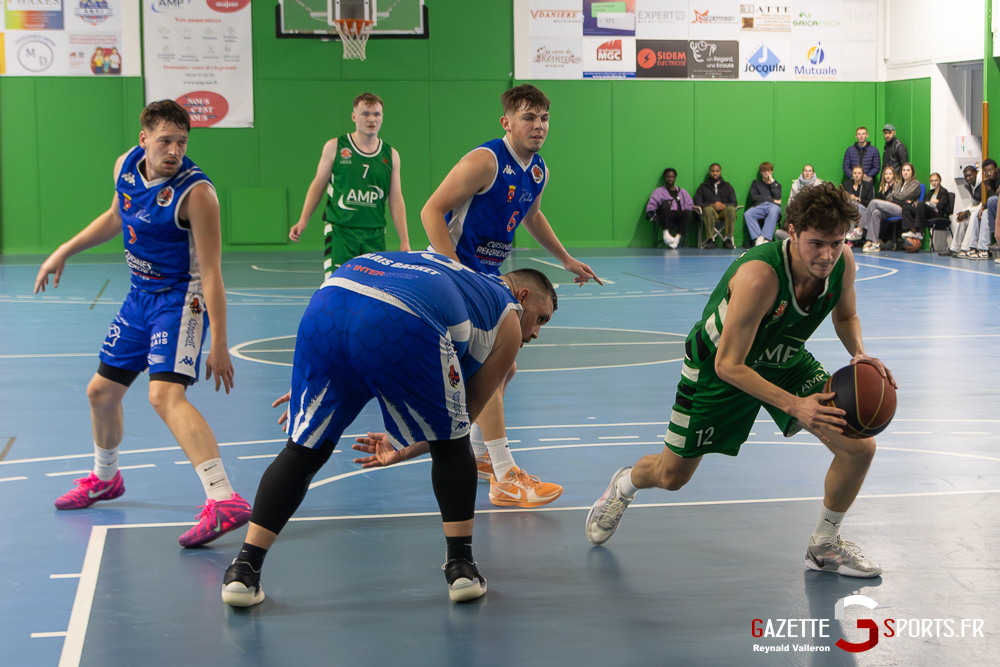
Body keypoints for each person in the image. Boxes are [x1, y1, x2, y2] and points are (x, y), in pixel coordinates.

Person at [585, 182, 895, 580]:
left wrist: (859, 353)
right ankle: (624, 485)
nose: (828, 254)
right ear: (793, 231)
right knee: (671, 476)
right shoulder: (760, 277)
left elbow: (845, 316)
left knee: (858, 448)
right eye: (817, 243)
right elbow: (729, 365)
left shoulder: (842, 263)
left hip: (784, 358)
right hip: (717, 367)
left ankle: (824, 545)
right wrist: (795, 405)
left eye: (837, 243)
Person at [220, 252, 558, 606]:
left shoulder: (461, 276)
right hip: (400, 318)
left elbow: (365, 308)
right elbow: (462, 417)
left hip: (331, 302)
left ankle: (244, 570)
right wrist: (407, 448)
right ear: (521, 297)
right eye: (541, 319)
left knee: (303, 450)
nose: (534, 332)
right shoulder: (506, 316)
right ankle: (462, 567)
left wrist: (320, 374)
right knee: (453, 445)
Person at [33, 100, 250, 547]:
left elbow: (211, 273)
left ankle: (223, 497)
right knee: (101, 392)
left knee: (164, 394)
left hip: (182, 301)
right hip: (139, 298)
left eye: (182, 142)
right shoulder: (126, 168)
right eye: (166, 141)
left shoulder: (197, 194)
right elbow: (116, 216)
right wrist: (64, 249)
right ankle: (105, 479)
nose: (173, 150)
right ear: (144, 139)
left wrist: (220, 343)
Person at [421, 84, 601, 508]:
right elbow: (431, 210)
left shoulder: (538, 170)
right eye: (528, 118)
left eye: (543, 119)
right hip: (450, 274)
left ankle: (483, 457)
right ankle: (504, 475)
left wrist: (567, 260)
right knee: (492, 366)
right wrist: (455, 274)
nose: (538, 126)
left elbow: (532, 216)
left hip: (485, 277)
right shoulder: (485, 161)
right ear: (507, 122)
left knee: (507, 369)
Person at [289, 93, 409, 279]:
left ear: (382, 117)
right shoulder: (335, 147)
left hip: (374, 233)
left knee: (372, 290)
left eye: (377, 114)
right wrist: (303, 220)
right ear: (354, 116)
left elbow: (396, 198)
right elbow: (318, 184)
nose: (371, 119)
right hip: (341, 231)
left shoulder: (391, 155)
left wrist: (405, 240)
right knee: (337, 285)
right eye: (365, 114)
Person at [861, 163, 920, 252]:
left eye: (908, 170)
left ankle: (860, 229)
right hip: (894, 207)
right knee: (875, 212)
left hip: (904, 209)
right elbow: (889, 197)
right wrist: (898, 196)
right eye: (903, 170)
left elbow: (904, 196)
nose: (905, 172)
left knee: (874, 202)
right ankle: (874, 243)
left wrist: (895, 195)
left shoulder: (915, 183)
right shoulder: (899, 183)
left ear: (912, 172)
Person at [646, 168, 695, 249]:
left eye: (672, 176)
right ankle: (666, 234)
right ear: (664, 178)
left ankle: (677, 239)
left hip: (678, 215)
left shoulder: (682, 192)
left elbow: (690, 204)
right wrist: (651, 212)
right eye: (667, 176)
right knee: (665, 204)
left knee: (689, 213)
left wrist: (688, 211)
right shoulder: (658, 192)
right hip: (665, 216)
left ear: (675, 178)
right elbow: (652, 204)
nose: (670, 178)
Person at [694, 163, 738, 249]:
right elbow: (698, 202)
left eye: (717, 171)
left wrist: (724, 205)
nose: (715, 173)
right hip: (710, 213)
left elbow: (734, 202)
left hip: (724, 212)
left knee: (731, 209)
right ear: (710, 172)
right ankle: (710, 240)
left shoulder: (728, 186)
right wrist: (712, 205)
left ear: (720, 172)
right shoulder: (703, 187)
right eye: (713, 171)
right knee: (708, 209)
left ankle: (728, 240)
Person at [940, 166, 981, 257]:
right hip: (977, 208)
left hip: (985, 209)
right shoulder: (971, 185)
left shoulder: (983, 183)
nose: (968, 178)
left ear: (976, 173)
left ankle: (966, 248)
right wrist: (965, 211)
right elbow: (974, 202)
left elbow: (984, 203)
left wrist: (968, 211)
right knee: (963, 215)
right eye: (966, 176)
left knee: (973, 215)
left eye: (970, 175)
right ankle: (954, 248)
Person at [901, 172, 951, 244]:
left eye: (936, 180)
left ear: (940, 180)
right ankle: (912, 230)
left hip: (938, 214)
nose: (934, 183)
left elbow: (940, 206)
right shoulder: (930, 192)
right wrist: (932, 201)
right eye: (932, 181)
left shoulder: (943, 191)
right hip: (927, 212)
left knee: (921, 204)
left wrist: (931, 202)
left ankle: (919, 232)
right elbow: (926, 203)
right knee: (906, 207)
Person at [743, 162, 782, 246]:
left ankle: (766, 239)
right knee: (748, 214)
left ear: (772, 171)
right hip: (760, 206)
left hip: (774, 207)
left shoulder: (776, 185)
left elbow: (778, 196)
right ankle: (758, 239)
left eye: (768, 170)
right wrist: (772, 200)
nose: (766, 173)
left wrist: (771, 182)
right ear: (760, 172)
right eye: (764, 171)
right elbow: (754, 198)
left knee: (773, 211)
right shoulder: (756, 184)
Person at [843, 165, 875, 243]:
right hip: (850, 210)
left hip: (864, 210)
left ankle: (853, 236)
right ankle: (850, 240)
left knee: (854, 205)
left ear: (862, 174)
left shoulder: (867, 185)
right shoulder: (846, 184)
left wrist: (858, 200)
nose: (857, 175)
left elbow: (870, 202)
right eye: (855, 173)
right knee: (851, 216)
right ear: (852, 174)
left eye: (859, 173)